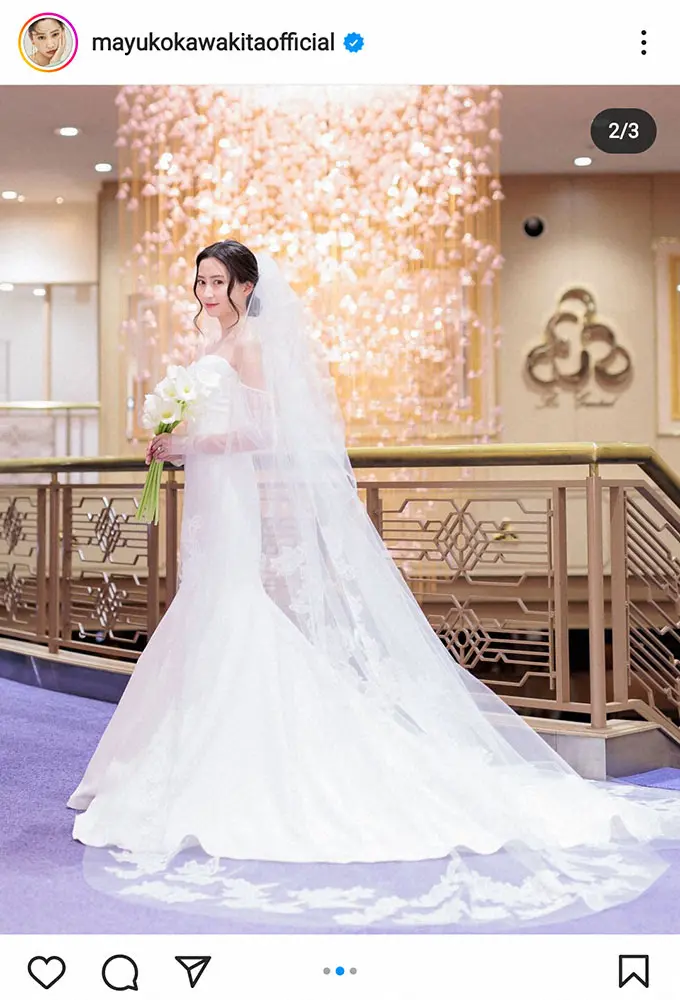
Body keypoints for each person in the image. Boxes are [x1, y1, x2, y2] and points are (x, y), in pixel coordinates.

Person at [68, 240, 680, 929]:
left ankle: (239, 760)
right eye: (201, 281)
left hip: (230, 494)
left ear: (245, 287)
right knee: (203, 605)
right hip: (208, 495)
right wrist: (176, 441)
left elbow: (264, 431)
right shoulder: (213, 339)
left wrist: (191, 444)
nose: (206, 292)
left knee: (231, 606)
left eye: (218, 281)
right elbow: (219, 420)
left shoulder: (252, 343)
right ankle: (181, 759)